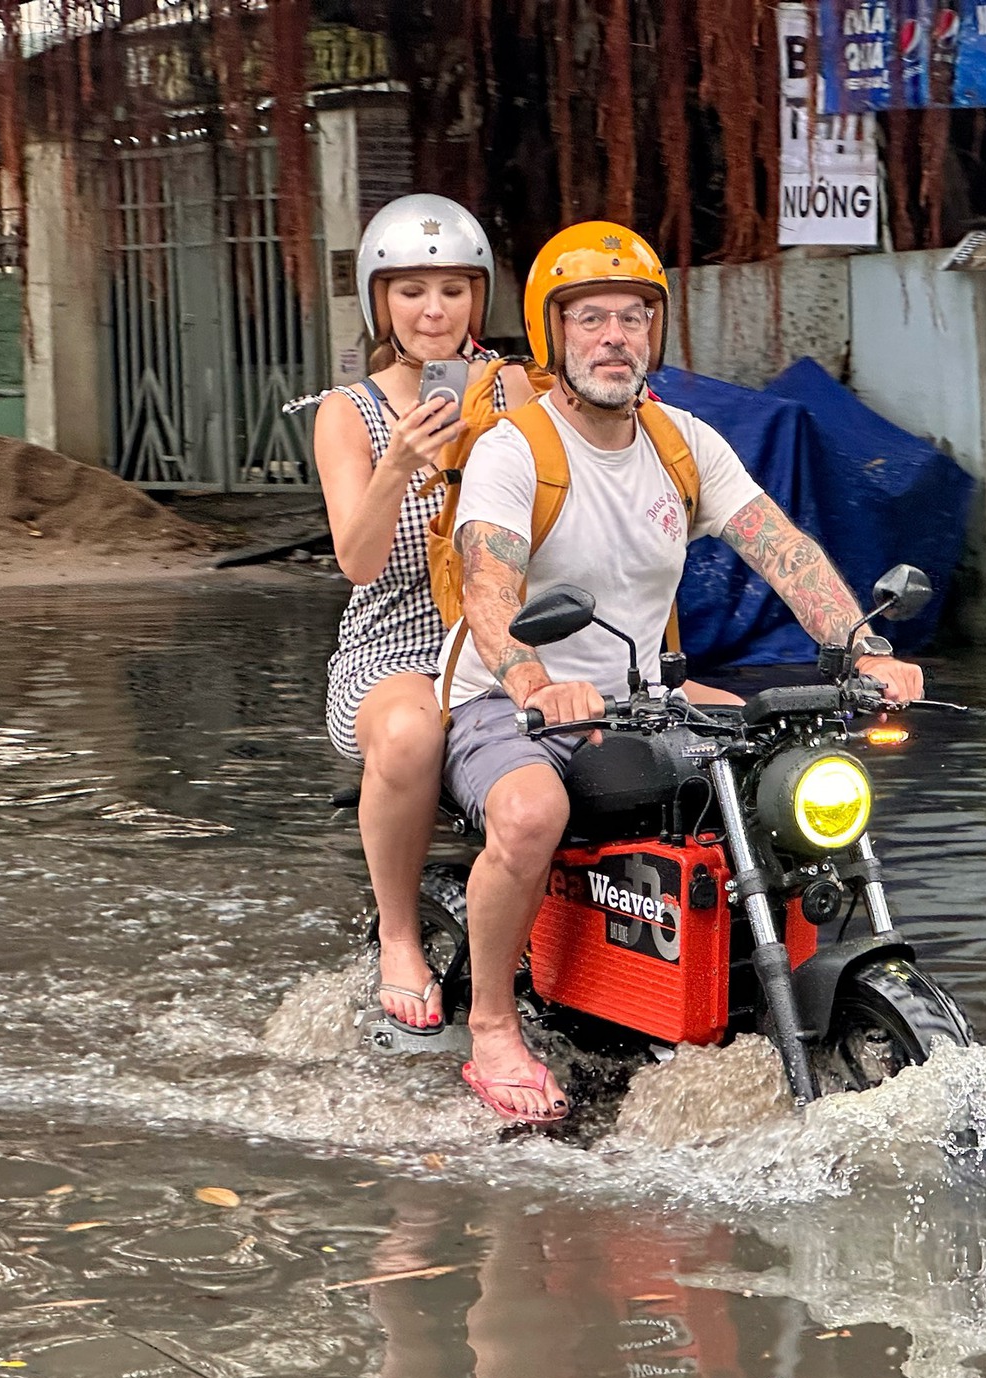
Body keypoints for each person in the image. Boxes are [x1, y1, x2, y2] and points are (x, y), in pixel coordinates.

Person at [438, 221, 924, 1122]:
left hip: (639, 698)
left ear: (655, 333)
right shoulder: (517, 449)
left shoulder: (684, 443)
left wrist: (863, 644)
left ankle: (709, 987)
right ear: (554, 335)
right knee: (533, 809)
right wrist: (534, 683)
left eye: (633, 317)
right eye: (590, 319)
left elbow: (781, 549)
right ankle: (496, 1028)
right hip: (504, 702)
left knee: (765, 768)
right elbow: (488, 593)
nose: (614, 336)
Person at [313, 194, 535, 1036]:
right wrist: (400, 462)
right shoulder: (351, 412)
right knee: (412, 731)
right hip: (397, 643)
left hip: (506, 628)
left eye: (452, 289)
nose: (434, 311)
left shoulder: (515, 388)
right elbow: (357, 563)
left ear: (479, 298)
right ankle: (399, 935)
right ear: (381, 302)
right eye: (411, 291)